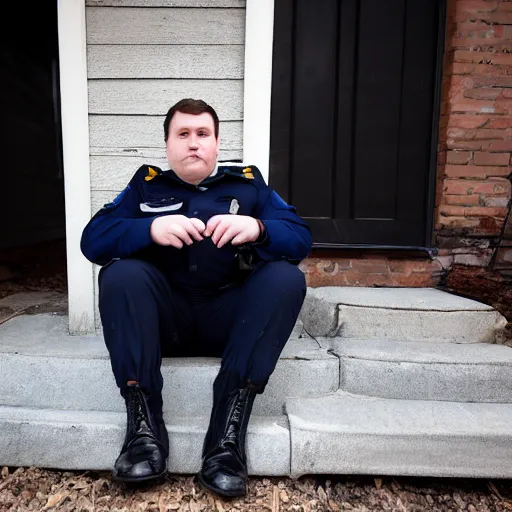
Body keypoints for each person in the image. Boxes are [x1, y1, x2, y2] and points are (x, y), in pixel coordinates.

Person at [80, 98, 312, 497]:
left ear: (217, 144)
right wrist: (149, 230)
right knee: (120, 273)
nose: (193, 143)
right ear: (167, 145)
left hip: (230, 322)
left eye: (202, 134)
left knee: (285, 278)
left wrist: (258, 227)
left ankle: (225, 440)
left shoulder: (248, 184)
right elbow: (93, 240)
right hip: (164, 323)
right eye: (182, 134)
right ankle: (144, 433)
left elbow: (301, 238)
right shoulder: (147, 184)